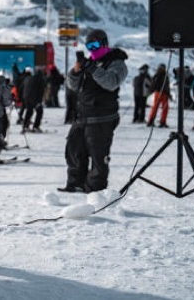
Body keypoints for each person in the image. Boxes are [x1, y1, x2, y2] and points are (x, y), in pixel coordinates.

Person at [59, 29, 128, 193]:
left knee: (98, 156)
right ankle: (75, 183)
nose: (92, 49)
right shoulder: (90, 62)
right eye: (89, 45)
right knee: (74, 150)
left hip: (102, 117)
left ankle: (95, 189)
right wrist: (75, 72)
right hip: (82, 116)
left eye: (95, 44)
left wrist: (93, 69)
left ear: (104, 43)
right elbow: (73, 86)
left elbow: (111, 82)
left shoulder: (116, 62)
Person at [21, 68, 46, 132]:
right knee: (39, 111)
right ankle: (36, 126)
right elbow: (40, 91)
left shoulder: (28, 78)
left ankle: (25, 126)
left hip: (26, 97)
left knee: (29, 111)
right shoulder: (40, 80)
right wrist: (39, 102)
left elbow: (21, 88)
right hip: (34, 98)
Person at [147, 64, 171, 128]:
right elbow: (155, 84)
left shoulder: (159, 75)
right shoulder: (161, 76)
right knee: (161, 108)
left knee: (157, 107)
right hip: (160, 93)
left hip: (161, 93)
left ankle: (154, 121)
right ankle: (159, 121)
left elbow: (153, 84)